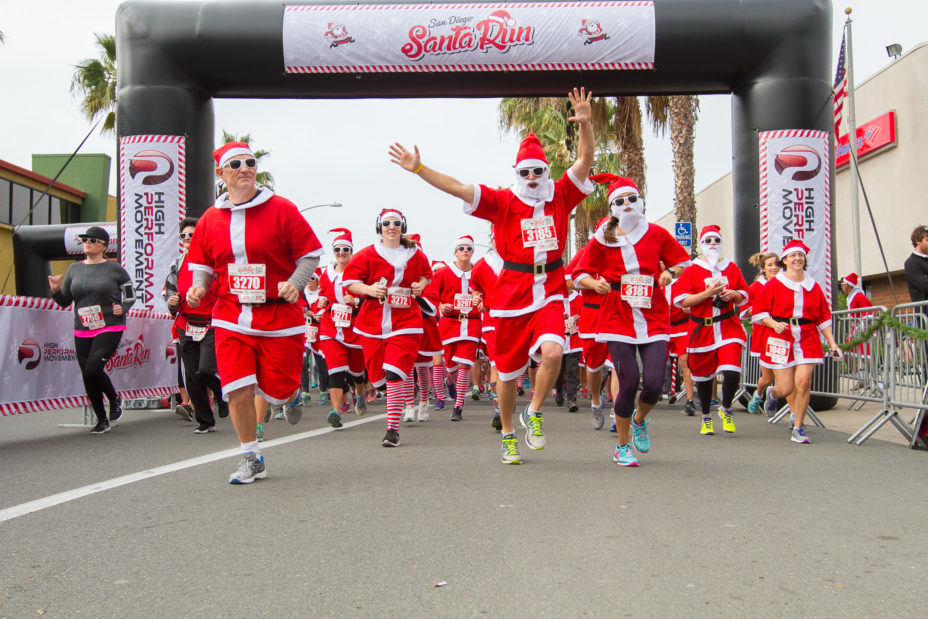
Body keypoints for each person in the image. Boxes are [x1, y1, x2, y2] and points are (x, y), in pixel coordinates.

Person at [390, 87, 595, 465]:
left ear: (546, 172)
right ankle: (507, 432)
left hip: (550, 285)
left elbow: (585, 159)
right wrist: (419, 169)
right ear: (516, 173)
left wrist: (585, 123)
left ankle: (533, 412)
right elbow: (457, 187)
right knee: (507, 372)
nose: (532, 178)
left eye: (538, 171)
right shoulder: (503, 201)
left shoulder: (560, 194)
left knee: (553, 350)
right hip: (513, 292)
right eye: (525, 172)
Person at [186, 141, 323, 484]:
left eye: (250, 162)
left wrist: (295, 282)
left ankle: (289, 395)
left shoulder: (281, 208)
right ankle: (251, 456)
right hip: (231, 313)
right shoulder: (210, 218)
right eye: (236, 164)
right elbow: (201, 263)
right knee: (237, 388)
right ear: (222, 174)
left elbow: (308, 254)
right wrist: (199, 286)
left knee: (275, 390)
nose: (244, 168)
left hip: (278, 316)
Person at [573, 175, 690, 467]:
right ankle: (622, 446)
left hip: (653, 314)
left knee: (653, 383)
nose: (627, 205)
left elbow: (682, 261)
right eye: (620, 202)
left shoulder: (657, 233)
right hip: (617, 315)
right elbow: (579, 275)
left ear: (641, 202)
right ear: (613, 208)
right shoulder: (604, 237)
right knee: (628, 381)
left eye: (631, 199)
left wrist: (670, 273)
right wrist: (594, 284)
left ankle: (639, 419)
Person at [343, 208, 432, 447]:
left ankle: (392, 430)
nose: (391, 227)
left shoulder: (414, 252)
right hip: (373, 321)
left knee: (393, 372)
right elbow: (350, 282)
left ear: (402, 226)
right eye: (386, 223)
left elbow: (426, 275)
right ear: (379, 227)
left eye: (395, 223)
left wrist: (419, 286)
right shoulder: (367, 254)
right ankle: (399, 387)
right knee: (378, 376)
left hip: (406, 321)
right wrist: (370, 290)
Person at [752, 240, 842, 443]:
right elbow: (759, 311)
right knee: (786, 388)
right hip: (781, 336)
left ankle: (799, 427)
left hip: (807, 335)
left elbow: (823, 317)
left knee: (803, 381)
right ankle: (773, 395)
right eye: (792, 255)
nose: (797, 259)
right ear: (785, 260)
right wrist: (773, 323)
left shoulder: (813, 286)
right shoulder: (775, 284)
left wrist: (832, 343)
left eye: (800, 255)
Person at [49, 226, 135, 434]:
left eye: (93, 240)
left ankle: (114, 399)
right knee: (87, 375)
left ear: (104, 246)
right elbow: (65, 301)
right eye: (85, 239)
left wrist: (121, 307)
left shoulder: (115, 270)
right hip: (83, 328)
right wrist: (54, 291)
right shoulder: (74, 269)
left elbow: (130, 295)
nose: (87, 242)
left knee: (93, 369)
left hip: (110, 325)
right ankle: (101, 419)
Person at [674, 225, 750, 436]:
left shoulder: (731, 267)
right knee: (704, 378)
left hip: (728, 327)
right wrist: (706, 294)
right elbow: (682, 300)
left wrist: (733, 294)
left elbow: (744, 293)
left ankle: (725, 409)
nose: (712, 244)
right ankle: (706, 416)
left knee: (732, 372)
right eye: (708, 241)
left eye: (716, 240)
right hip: (702, 330)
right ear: (701, 244)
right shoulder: (692, 270)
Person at [166, 217, 226, 433]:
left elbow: (225, 290)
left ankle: (222, 394)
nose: (187, 239)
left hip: (211, 323)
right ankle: (205, 420)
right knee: (191, 375)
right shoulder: (177, 263)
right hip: (186, 324)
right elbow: (171, 290)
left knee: (205, 369)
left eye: (192, 235)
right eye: (183, 236)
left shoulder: (214, 261)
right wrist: (172, 301)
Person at [317, 228, 368, 428]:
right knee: (335, 370)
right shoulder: (325, 274)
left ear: (351, 251)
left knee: (356, 371)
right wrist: (321, 302)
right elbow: (322, 294)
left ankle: (359, 392)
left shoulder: (360, 273)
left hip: (355, 328)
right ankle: (335, 411)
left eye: (345, 249)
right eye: (337, 249)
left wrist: (356, 299)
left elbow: (370, 296)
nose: (341, 253)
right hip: (331, 326)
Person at [433, 234, 483, 421]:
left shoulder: (478, 272)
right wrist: (439, 306)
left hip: (471, 322)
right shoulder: (442, 273)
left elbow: (488, 292)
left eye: (468, 249)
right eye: (461, 248)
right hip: (449, 323)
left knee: (464, 364)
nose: (465, 252)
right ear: (455, 252)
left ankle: (458, 405)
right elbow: (430, 294)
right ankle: (450, 381)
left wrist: (481, 301)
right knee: (450, 365)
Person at [565, 236, 610, 428]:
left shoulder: (628, 251)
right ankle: (596, 401)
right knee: (593, 366)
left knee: (619, 365)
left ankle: (619, 412)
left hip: (618, 314)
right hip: (591, 315)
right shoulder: (584, 253)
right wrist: (591, 283)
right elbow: (567, 280)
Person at [742, 251, 780, 414]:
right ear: (763, 268)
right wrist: (763, 310)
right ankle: (758, 395)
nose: (774, 268)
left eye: (776, 264)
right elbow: (744, 311)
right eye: (770, 265)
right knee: (768, 378)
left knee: (787, 375)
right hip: (764, 334)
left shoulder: (786, 284)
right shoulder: (756, 287)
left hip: (783, 333)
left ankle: (794, 416)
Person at [903, 225, 928, 304]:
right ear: (918, 241)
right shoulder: (911, 263)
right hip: (924, 314)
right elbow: (925, 286)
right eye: (927, 239)